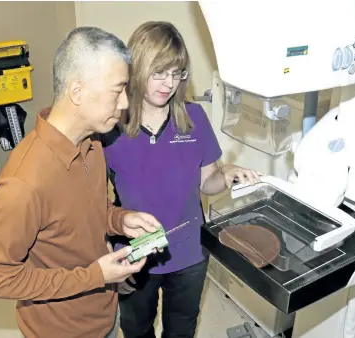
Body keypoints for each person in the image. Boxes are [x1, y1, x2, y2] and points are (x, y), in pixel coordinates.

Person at [0, 26, 162, 338]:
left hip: (105, 310)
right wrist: (94, 276)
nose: (125, 105)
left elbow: (83, 213)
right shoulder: (22, 185)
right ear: (77, 91)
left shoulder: (92, 143)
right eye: (117, 91)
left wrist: (120, 219)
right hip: (61, 330)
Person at [102, 21, 261, 338]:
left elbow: (207, 182)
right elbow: (95, 205)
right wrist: (109, 259)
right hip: (135, 255)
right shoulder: (110, 127)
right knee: (136, 329)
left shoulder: (193, 118)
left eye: (177, 74)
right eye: (159, 73)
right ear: (137, 68)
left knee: (181, 329)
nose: (168, 84)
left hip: (189, 254)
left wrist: (224, 175)